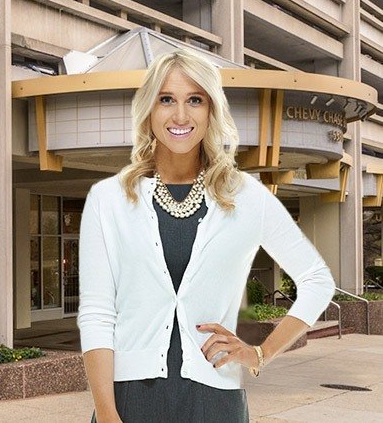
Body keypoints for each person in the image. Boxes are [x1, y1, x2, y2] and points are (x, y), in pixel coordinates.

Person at [77, 48, 336, 423]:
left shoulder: (245, 196)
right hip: (129, 402)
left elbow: (318, 281)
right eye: (167, 99)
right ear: (149, 110)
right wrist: (106, 413)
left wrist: (260, 354)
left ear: (211, 110)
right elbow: (98, 315)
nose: (180, 115)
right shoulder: (109, 199)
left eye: (194, 100)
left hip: (215, 403)